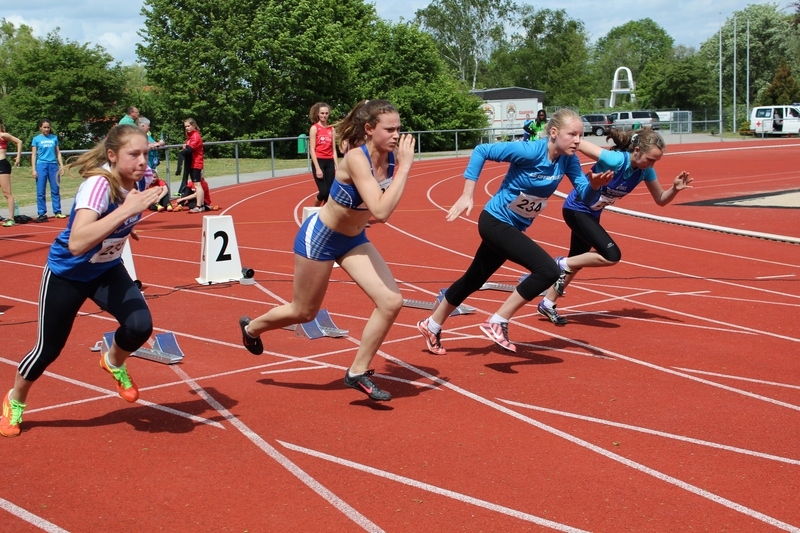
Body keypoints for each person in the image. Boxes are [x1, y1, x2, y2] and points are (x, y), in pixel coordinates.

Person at [238, 100, 414, 402]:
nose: (396, 135)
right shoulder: (357, 158)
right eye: (390, 129)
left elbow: (382, 206)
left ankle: (357, 372)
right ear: (369, 129)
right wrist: (406, 168)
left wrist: (401, 166)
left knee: (391, 302)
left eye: (398, 128)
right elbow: (381, 212)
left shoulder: (392, 156)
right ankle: (251, 329)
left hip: (353, 240)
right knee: (304, 312)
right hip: (321, 238)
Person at [0, 124, 166, 437]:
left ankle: (113, 361)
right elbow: (77, 243)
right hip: (68, 273)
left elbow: (128, 208)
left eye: (145, 153)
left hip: (105, 269)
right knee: (48, 350)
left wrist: (126, 226)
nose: (143, 161)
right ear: (112, 156)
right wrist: (125, 214)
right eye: (134, 154)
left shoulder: (142, 177)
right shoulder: (97, 186)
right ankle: (15, 399)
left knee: (140, 325)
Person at [416, 109, 612, 355]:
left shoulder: (568, 160)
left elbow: (585, 197)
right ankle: (497, 321)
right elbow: (481, 150)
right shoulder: (530, 151)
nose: (578, 141)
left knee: (474, 279)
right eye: (572, 134)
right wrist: (467, 194)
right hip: (495, 221)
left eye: (580, 136)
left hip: (513, 226)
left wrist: (594, 186)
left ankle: (431, 325)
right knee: (549, 270)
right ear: (553, 133)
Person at [536, 128, 692, 325]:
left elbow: (661, 199)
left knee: (577, 260)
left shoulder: (645, 171)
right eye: (650, 159)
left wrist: (675, 189)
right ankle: (560, 263)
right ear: (637, 150)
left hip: (592, 214)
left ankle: (548, 303)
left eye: (655, 162)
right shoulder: (615, 160)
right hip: (576, 209)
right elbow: (578, 143)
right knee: (611, 255)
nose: (651, 165)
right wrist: (551, 144)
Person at [31, 119, 66, 222]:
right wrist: (33, 169)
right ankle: (42, 213)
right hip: (41, 165)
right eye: (44, 127)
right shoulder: (36, 139)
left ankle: (57, 211)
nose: (46, 129)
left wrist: (61, 166)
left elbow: (58, 153)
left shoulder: (54, 138)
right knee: (41, 191)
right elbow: (33, 155)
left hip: (53, 165)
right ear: (40, 128)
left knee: (55, 190)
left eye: (48, 127)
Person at [309, 102, 339, 207]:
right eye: (322, 113)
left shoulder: (331, 129)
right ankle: (314, 210)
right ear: (318, 113)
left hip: (329, 162)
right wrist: (317, 168)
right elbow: (312, 149)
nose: (324, 115)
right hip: (319, 161)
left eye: (326, 113)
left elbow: (334, 150)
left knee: (329, 194)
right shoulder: (314, 128)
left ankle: (325, 213)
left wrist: (337, 166)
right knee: (323, 192)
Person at [0, 117, 23, 227]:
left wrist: (18, 157)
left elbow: (19, 141)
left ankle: (11, 218)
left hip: (2, 164)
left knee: (6, 193)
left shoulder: (3, 135)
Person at [183, 118, 206, 213]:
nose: (187, 128)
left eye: (188, 126)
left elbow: (190, 148)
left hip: (196, 162)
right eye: (185, 127)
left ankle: (199, 206)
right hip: (192, 162)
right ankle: (201, 205)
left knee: (197, 184)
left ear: (193, 125)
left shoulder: (195, 136)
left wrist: (185, 148)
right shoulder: (190, 136)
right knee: (196, 184)